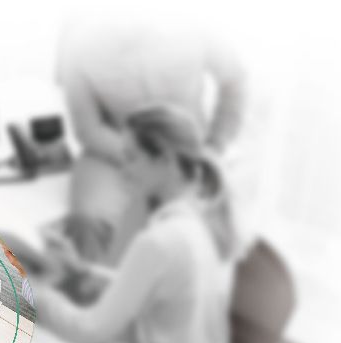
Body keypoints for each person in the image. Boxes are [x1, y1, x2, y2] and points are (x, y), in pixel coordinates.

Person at [32, 105, 238, 343]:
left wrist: (27, 291)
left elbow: (87, 332)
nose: (122, 168)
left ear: (165, 159)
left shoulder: (159, 241)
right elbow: (161, 282)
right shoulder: (204, 215)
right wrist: (85, 272)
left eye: (131, 157)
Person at [56, 21, 247, 263]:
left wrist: (215, 145)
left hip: (188, 152)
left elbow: (235, 81)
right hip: (113, 150)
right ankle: (93, 289)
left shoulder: (195, 22)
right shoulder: (80, 41)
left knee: (193, 225)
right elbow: (89, 129)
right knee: (88, 218)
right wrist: (140, 159)